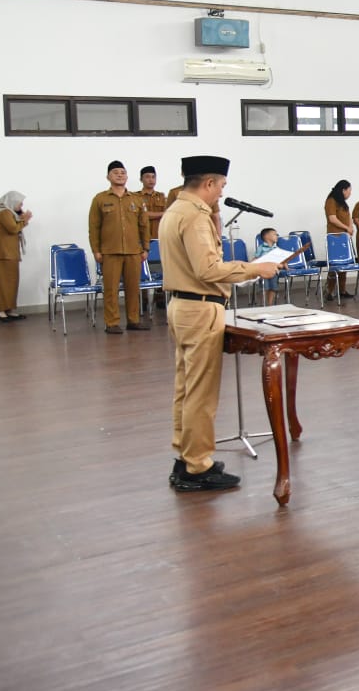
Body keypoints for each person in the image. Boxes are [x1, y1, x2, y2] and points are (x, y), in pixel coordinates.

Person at [161, 155, 280, 492]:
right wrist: (256, 268)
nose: (222, 192)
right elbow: (208, 270)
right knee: (201, 393)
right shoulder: (194, 216)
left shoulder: (175, 210)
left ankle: (186, 457)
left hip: (182, 306)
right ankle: (197, 467)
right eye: (221, 186)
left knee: (186, 389)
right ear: (209, 183)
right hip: (200, 308)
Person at [88, 160, 150, 334]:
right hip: (110, 252)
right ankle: (112, 323)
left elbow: (144, 225)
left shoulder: (136, 199)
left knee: (133, 288)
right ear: (108, 177)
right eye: (115, 172)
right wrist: (96, 250)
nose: (120, 175)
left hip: (133, 251)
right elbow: (94, 227)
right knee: (111, 289)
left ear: (127, 177)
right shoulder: (100, 199)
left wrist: (145, 248)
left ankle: (133, 320)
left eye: (123, 173)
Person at [0, 190, 32, 321]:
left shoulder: (9, 212)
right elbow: (13, 228)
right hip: (4, 253)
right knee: (4, 283)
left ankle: (8, 309)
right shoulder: (4, 212)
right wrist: (25, 220)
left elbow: (15, 225)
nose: (21, 206)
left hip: (10, 253)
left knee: (11, 282)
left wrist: (21, 216)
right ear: (12, 201)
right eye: (20, 203)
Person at [323, 179, 356, 299]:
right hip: (334, 238)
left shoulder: (343, 203)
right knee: (335, 265)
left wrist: (350, 228)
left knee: (344, 264)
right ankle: (329, 290)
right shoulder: (331, 201)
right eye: (349, 190)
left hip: (344, 238)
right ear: (343, 190)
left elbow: (349, 217)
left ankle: (342, 290)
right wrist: (346, 228)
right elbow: (332, 218)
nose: (350, 193)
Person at [252, 227, 283, 306]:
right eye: (274, 234)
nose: (277, 236)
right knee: (264, 287)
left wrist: (287, 267)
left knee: (273, 287)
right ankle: (263, 304)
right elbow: (256, 258)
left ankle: (270, 304)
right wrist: (250, 265)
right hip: (263, 271)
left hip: (274, 271)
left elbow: (282, 259)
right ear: (266, 236)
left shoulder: (276, 248)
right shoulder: (261, 247)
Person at [139, 166, 167, 243]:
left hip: (159, 237)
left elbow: (168, 215)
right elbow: (142, 215)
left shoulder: (161, 196)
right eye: (147, 177)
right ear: (141, 179)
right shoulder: (136, 197)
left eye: (153, 177)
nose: (151, 180)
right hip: (141, 237)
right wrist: (162, 214)